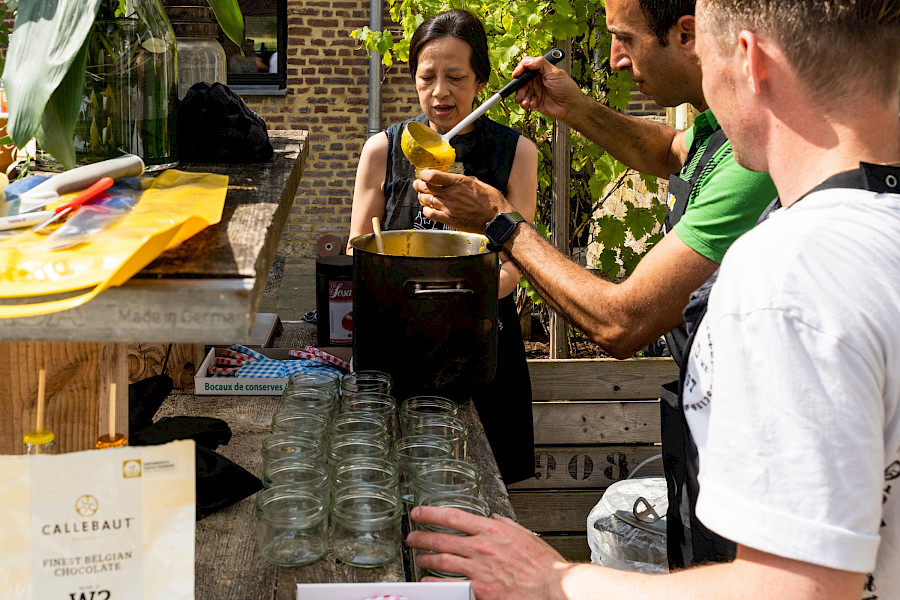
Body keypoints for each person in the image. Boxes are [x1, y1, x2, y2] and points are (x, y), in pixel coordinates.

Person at [407, 0, 900, 598]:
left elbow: (797, 589)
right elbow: (675, 150)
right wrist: (579, 108)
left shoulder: (785, 276)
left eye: (708, 52)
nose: (702, 82)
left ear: (748, 61)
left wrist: (557, 580)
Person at [346, 9, 539, 484]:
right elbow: (359, 253)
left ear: (481, 82)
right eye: (426, 77)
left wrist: (468, 291)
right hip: (397, 343)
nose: (439, 93)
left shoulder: (517, 153)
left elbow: (518, 261)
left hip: (483, 343)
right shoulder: (382, 151)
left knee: (481, 490)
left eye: (455, 77)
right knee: (388, 484)